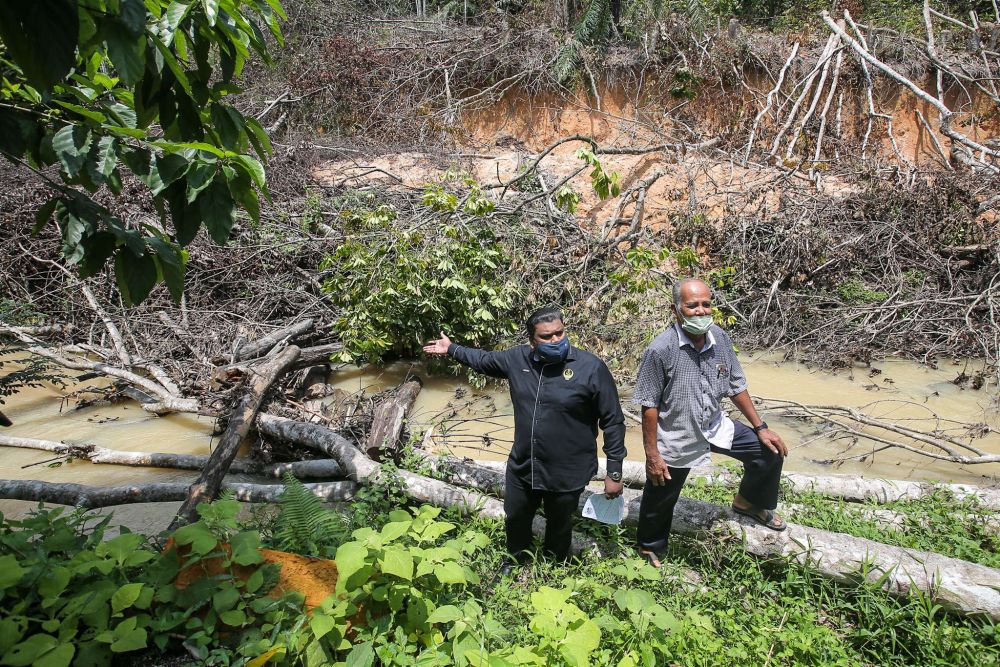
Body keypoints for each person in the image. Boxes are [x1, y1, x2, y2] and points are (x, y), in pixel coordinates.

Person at [423, 306, 626, 570]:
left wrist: (615, 472)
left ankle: (555, 567)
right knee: (516, 517)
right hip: (524, 465)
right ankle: (515, 560)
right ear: (532, 341)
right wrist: (452, 349)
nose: (556, 340)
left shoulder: (590, 368)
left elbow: (613, 420)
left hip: (568, 469)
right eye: (547, 337)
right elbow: (483, 360)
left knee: (559, 522)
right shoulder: (518, 360)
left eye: (559, 333)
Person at [633, 278, 788, 568]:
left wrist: (761, 427)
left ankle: (748, 502)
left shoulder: (720, 338)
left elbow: (735, 385)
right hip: (678, 433)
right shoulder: (660, 349)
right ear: (676, 310)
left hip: (716, 424)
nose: (701, 311)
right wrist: (652, 455)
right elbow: (649, 405)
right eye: (692, 306)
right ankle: (649, 545)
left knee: (768, 452)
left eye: (706, 304)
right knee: (662, 492)